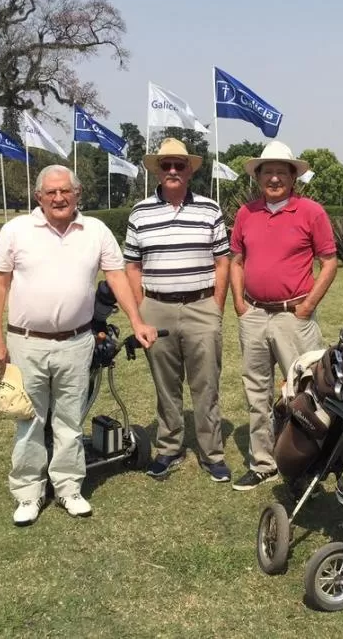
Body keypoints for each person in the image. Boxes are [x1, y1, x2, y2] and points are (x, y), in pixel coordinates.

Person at [0, 164, 158, 527]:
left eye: (66, 191)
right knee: (29, 420)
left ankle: (68, 487)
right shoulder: (16, 230)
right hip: (26, 343)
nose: (59, 198)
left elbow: (117, 277)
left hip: (77, 342)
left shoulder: (95, 231)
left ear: (78, 194)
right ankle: (29, 493)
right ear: (39, 197)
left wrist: (138, 321)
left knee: (68, 420)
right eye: (51, 192)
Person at [229, 141, 338, 491]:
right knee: (256, 392)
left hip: (295, 315)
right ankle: (263, 463)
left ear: (293, 176)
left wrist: (307, 307)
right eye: (267, 171)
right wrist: (239, 304)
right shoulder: (247, 214)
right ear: (258, 177)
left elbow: (330, 262)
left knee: (304, 393)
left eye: (281, 171)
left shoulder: (311, 212)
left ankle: (304, 466)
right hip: (255, 314)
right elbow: (236, 260)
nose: (274, 177)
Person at [123, 138, 231, 482]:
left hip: (202, 306)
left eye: (179, 165)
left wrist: (216, 306)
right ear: (157, 169)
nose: (172, 170)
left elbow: (222, 261)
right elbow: (132, 267)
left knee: (206, 384)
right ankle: (168, 448)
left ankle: (211, 452)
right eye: (166, 165)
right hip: (157, 307)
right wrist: (141, 311)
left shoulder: (209, 209)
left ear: (189, 171)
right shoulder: (140, 212)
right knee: (165, 385)